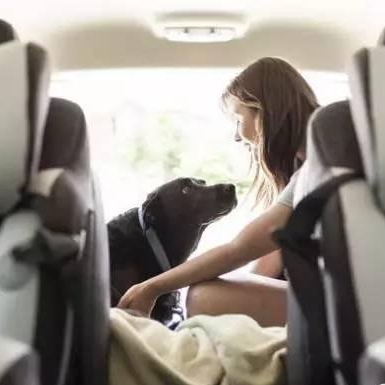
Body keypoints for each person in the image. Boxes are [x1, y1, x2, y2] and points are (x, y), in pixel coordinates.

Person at [118, 57, 321, 326]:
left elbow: (238, 249)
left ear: (262, 111)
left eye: (238, 119)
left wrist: (151, 287)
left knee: (204, 296)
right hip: (334, 297)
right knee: (214, 287)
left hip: (341, 306)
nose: (237, 135)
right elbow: (260, 268)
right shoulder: (316, 166)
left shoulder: (318, 167)